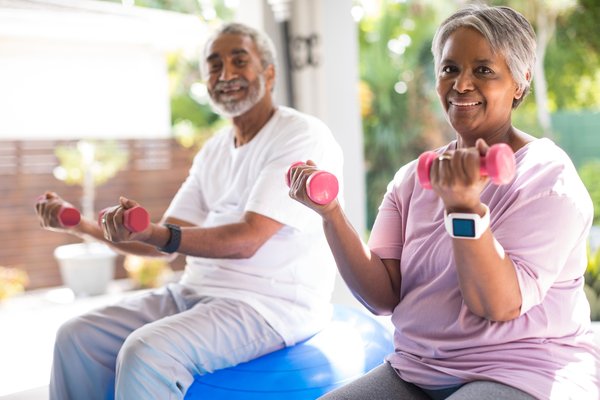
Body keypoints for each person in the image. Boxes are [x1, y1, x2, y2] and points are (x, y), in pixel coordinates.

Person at [289, 4, 600, 400]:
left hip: (521, 369)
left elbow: (498, 304)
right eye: (450, 68)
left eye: (483, 70)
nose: (461, 84)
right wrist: (330, 214)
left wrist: (463, 208)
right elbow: (382, 296)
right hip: (417, 368)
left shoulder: (549, 178)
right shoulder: (410, 179)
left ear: (520, 82)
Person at [35, 22, 343, 400]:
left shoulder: (300, 134)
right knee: (76, 336)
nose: (225, 74)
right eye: (214, 65)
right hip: (195, 293)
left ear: (269, 72)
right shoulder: (214, 150)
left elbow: (246, 239)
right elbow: (158, 240)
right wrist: (82, 225)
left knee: (146, 352)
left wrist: (156, 234)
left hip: (270, 305)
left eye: (239, 61)